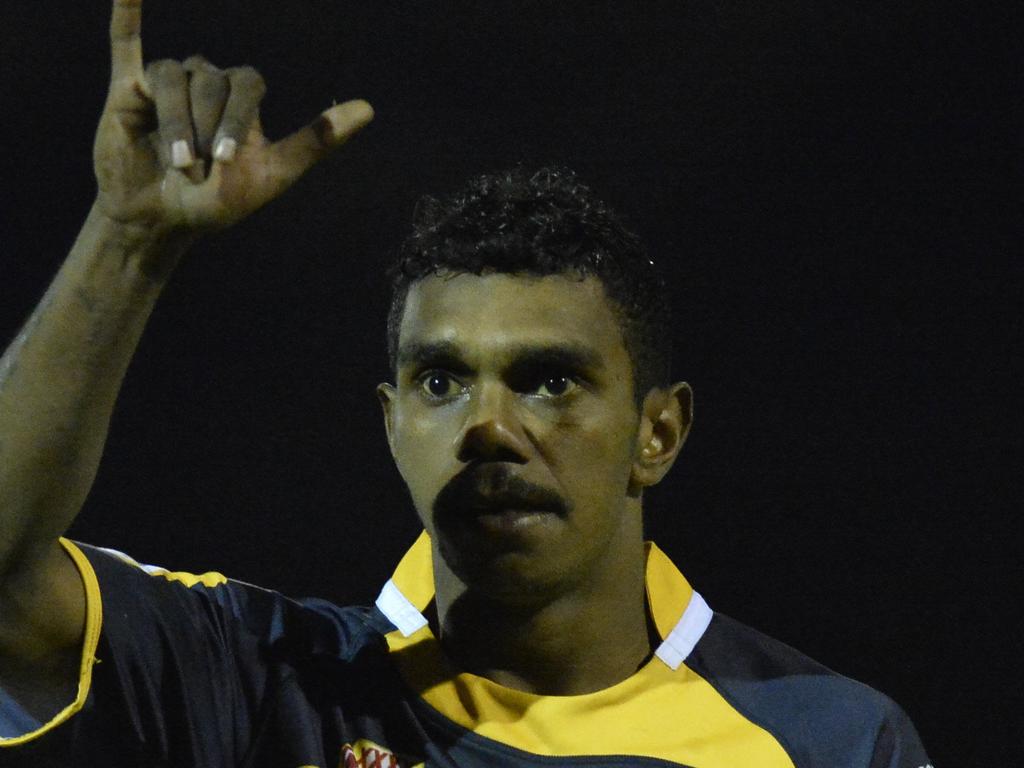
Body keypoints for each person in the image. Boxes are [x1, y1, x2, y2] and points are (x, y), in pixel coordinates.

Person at [0, 2, 932, 766]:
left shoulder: (831, 742)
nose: (488, 426)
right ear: (391, 422)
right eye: (442, 380)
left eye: (550, 382)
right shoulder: (258, 681)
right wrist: (127, 241)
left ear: (659, 434)